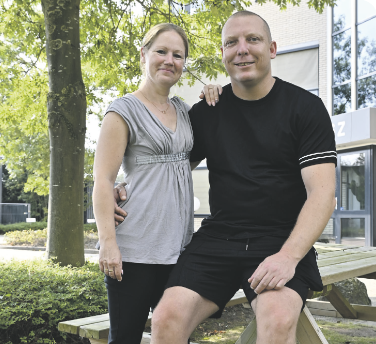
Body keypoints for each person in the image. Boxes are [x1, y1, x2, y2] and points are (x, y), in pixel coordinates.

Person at [114, 10, 337, 344]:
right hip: (218, 240)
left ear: (272, 48)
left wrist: (288, 257)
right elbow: (166, 165)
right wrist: (121, 184)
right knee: (165, 318)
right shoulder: (206, 112)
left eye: (253, 39)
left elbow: (323, 195)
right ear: (223, 54)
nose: (242, 49)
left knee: (276, 320)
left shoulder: (305, 108)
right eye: (231, 42)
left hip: (281, 239)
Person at [92, 23, 220, 344]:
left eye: (178, 55)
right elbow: (102, 180)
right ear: (143, 54)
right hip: (134, 249)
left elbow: (180, 163)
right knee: (125, 338)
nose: (169, 60)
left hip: (179, 249)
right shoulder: (122, 111)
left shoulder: (184, 110)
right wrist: (108, 243)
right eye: (161, 51)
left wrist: (213, 95)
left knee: (176, 335)